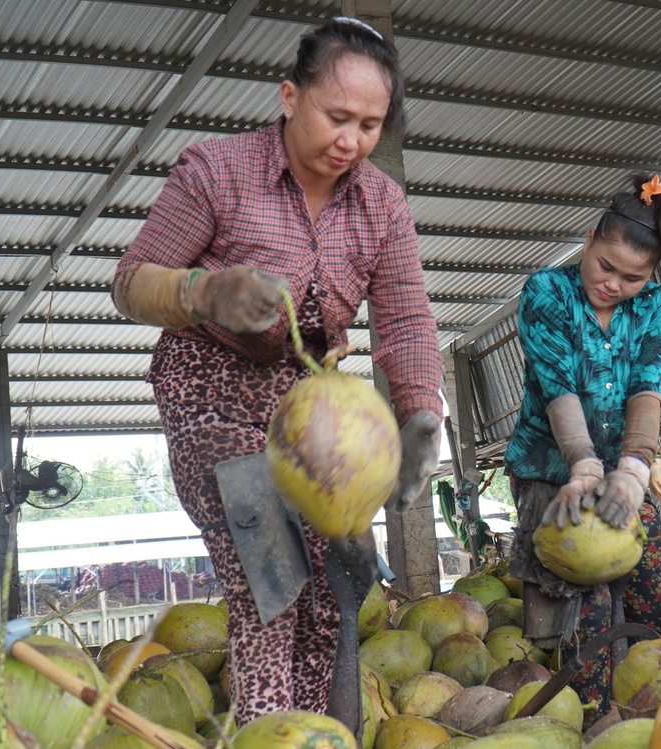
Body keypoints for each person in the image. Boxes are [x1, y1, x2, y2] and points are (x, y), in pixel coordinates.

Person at [110, 17, 443, 724]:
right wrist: (204, 292)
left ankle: (322, 731)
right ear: (290, 96)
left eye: (371, 124)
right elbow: (130, 280)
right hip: (208, 388)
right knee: (270, 576)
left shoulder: (382, 202)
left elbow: (407, 317)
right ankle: (272, 733)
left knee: (331, 586)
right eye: (337, 116)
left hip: (305, 403)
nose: (350, 140)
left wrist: (420, 409)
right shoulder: (218, 171)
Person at [504, 174, 661, 729]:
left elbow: (648, 389)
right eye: (606, 266)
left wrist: (633, 469)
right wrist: (584, 464)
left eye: (633, 277)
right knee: (589, 598)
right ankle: (592, 721)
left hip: (621, 468)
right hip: (551, 469)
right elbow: (557, 388)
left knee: (653, 569)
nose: (613, 284)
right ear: (588, 240)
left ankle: (643, 704)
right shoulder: (546, 292)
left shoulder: (656, 305)